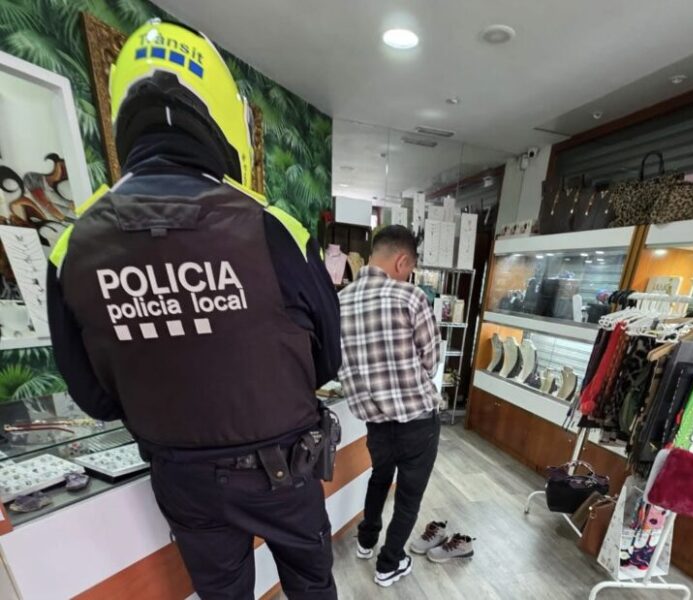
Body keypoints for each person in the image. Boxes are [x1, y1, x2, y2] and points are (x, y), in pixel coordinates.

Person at [46, 20, 340, 600]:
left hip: (183, 480)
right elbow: (327, 360)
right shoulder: (274, 228)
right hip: (284, 470)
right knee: (311, 587)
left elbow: (95, 399)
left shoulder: (71, 248)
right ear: (222, 120)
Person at [338, 225, 442, 587]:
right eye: (410, 267)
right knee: (409, 496)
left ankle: (366, 542)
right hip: (417, 421)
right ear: (402, 261)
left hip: (376, 424)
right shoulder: (410, 297)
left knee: (380, 478)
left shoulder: (340, 301)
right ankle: (389, 563)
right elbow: (431, 360)